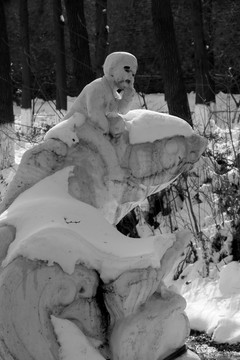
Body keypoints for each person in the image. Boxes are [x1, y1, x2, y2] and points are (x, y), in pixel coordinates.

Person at [64, 51, 138, 139]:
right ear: (111, 69)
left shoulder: (113, 94)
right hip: (70, 134)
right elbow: (97, 119)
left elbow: (121, 111)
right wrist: (110, 131)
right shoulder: (97, 88)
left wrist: (127, 97)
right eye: (127, 69)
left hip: (86, 134)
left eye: (133, 74)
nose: (130, 76)